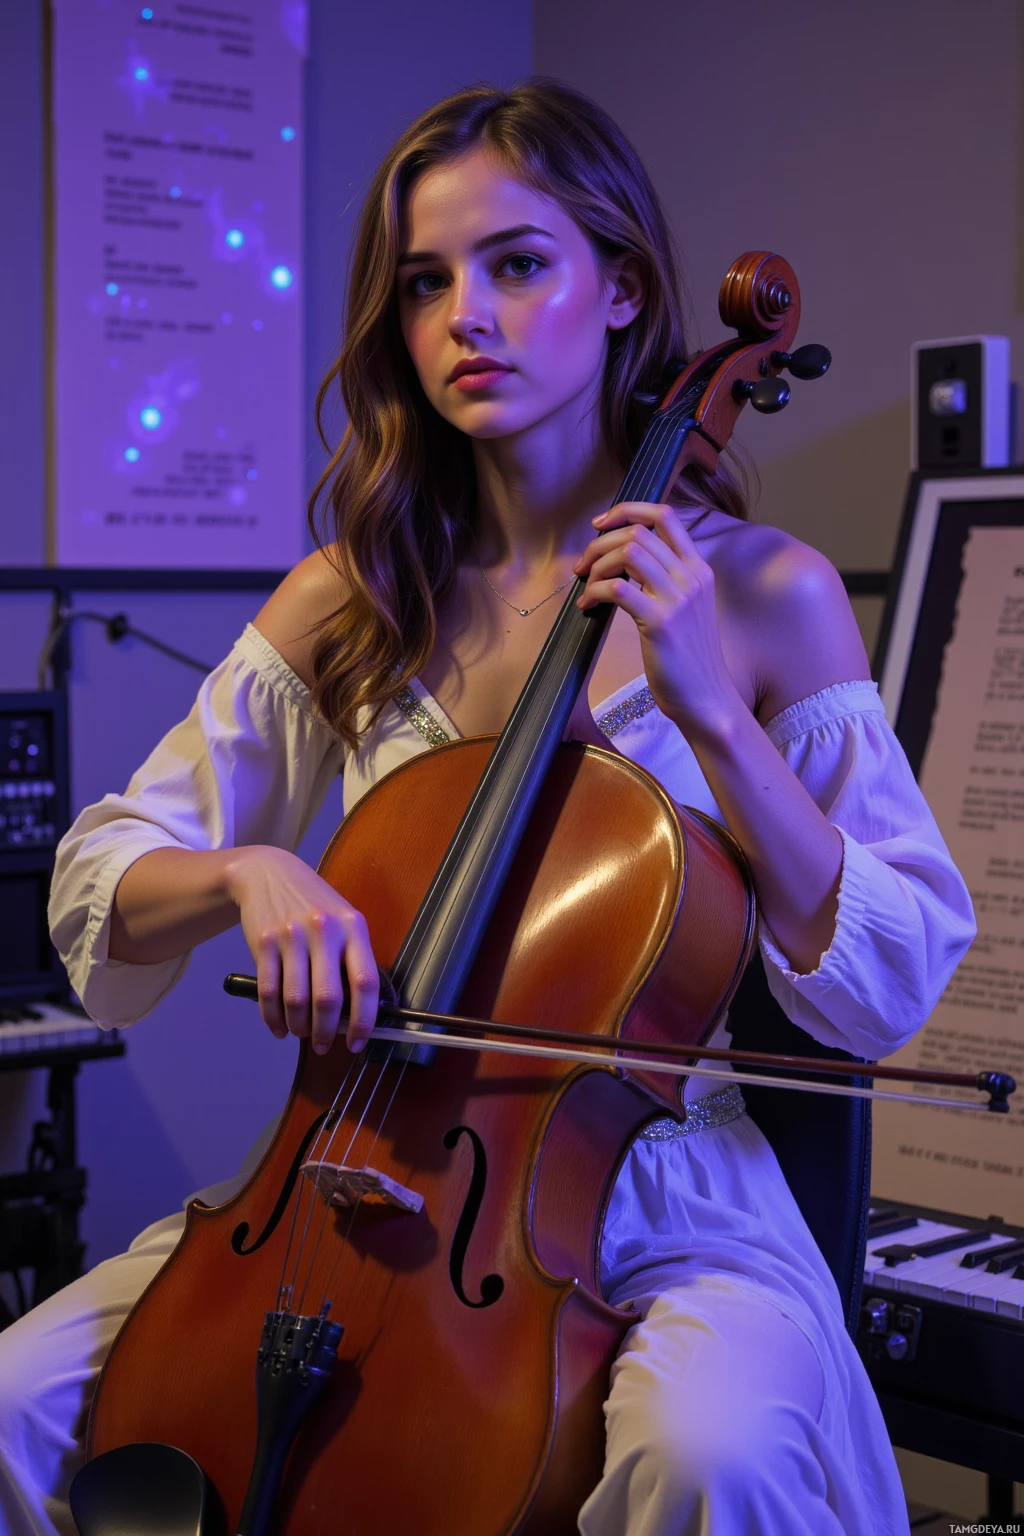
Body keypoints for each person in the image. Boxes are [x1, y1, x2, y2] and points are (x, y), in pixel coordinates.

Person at [0, 79, 974, 1536]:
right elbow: (104, 873)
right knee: (17, 1397)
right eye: (425, 282)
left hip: (664, 1201)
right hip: (351, 1175)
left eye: (518, 264)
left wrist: (714, 708)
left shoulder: (765, 594)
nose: (467, 315)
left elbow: (888, 979)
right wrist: (249, 872)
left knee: (708, 1461)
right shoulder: (349, 600)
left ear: (624, 288)